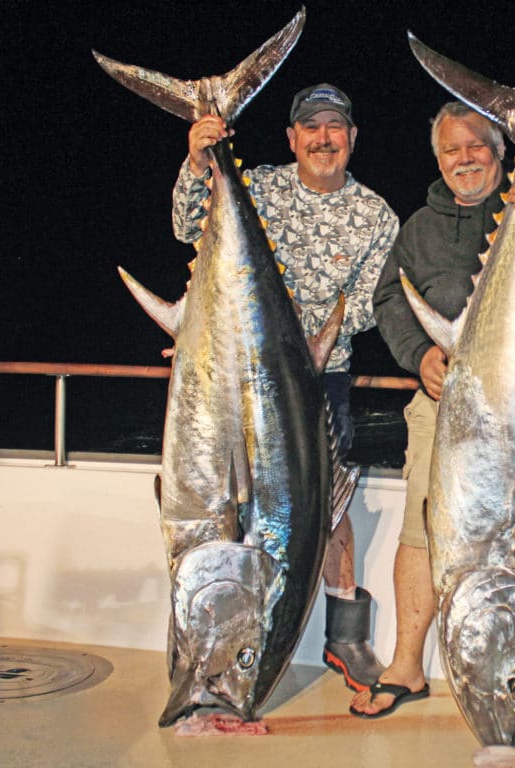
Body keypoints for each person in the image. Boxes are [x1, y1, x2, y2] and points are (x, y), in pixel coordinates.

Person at [354, 101, 515, 722]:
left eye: (478, 146)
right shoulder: (421, 226)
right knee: (424, 531)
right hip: (452, 412)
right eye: (452, 149)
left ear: (501, 153)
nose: (465, 158)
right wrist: (418, 354)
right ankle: (407, 666)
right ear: (438, 158)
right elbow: (390, 298)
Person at [171, 83, 398, 693]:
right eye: (311, 128)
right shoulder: (259, 189)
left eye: (335, 128)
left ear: (352, 139)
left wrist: (305, 344)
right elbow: (186, 226)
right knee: (213, 495)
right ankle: (206, 630)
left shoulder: (376, 215)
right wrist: (200, 160)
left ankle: (345, 638)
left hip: (316, 375)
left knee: (328, 500)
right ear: (292, 139)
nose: (323, 139)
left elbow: (372, 305)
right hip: (233, 369)